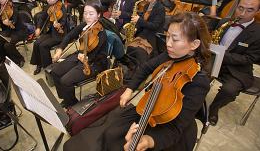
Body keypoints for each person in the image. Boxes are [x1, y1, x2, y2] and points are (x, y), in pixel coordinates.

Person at [64, 12, 211, 151]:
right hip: (150, 107)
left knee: (120, 143)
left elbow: (176, 128)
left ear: (194, 44)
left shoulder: (199, 81)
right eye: (167, 37)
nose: (168, 44)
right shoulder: (171, 55)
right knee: (111, 133)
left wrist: (147, 140)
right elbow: (146, 67)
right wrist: (129, 89)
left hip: (170, 132)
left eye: (175, 39)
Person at [208, 0, 260, 126]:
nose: (242, 14)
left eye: (250, 10)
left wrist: (222, 55)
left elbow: (249, 58)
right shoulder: (225, 22)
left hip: (237, 69)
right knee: (196, 74)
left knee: (229, 91)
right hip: (215, 62)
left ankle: (214, 109)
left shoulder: (258, 33)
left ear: (257, 11)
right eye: (240, 8)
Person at [50, 0, 108, 108]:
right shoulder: (84, 26)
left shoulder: (101, 33)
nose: (87, 16)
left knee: (65, 81)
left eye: (91, 14)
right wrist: (60, 49)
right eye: (85, 13)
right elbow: (69, 36)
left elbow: (99, 56)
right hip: (80, 55)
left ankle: (72, 105)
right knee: (55, 72)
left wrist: (85, 57)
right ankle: (67, 98)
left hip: (94, 63)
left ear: (98, 15)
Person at [125, 0, 165, 71]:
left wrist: (139, 20)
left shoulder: (160, 8)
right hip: (144, 34)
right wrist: (135, 28)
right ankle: (131, 69)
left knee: (140, 53)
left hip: (153, 37)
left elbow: (155, 25)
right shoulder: (146, 6)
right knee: (130, 48)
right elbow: (144, 22)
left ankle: (141, 71)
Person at [30, 0, 67, 75]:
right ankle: (39, 64)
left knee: (43, 46)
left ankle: (48, 67)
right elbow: (42, 17)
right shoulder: (49, 6)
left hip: (59, 34)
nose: (47, 0)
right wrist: (38, 28)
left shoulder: (62, 8)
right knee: (36, 43)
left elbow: (64, 21)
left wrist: (59, 24)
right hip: (50, 32)